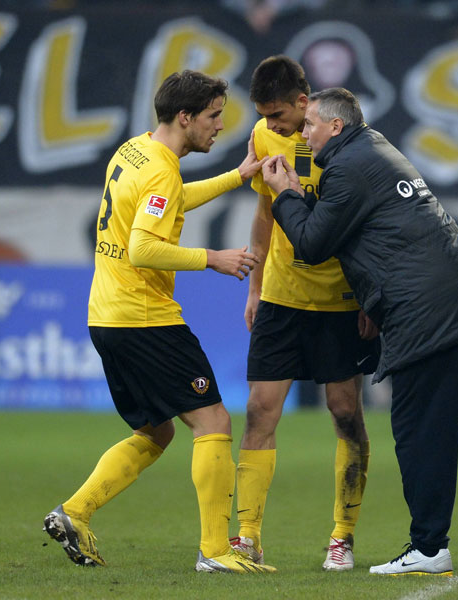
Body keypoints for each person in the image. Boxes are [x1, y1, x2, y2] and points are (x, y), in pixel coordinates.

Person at [262, 86, 458, 578]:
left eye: (310, 124)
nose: (303, 133)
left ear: (335, 126)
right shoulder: (375, 148)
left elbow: (313, 244)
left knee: (420, 431)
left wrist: (286, 195)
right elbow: (386, 238)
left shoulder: (347, 166)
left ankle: (428, 547)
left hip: (427, 313)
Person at [43, 70, 276, 574]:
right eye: (214, 117)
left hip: (106, 315)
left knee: (158, 431)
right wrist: (213, 257)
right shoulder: (160, 171)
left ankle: (75, 512)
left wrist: (237, 176)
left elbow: (171, 200)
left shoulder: (134, 151)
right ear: (186, 117)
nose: (220, 126)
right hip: (144, 318)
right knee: (213, 421)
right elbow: (143, 247)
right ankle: (216, 552)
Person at [229, 55, 378, 572]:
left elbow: (365, 227)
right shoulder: (264, 137)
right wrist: (254, 287)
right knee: (258, 411)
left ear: (303, 101)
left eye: (279, 115)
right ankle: (246, 536)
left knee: (344, 413)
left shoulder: (347, 143)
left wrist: (367, 298)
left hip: (339, 302)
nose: (270, 126)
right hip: (281, 298)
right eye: (263, 116)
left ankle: (343, 535)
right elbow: (266, 212)